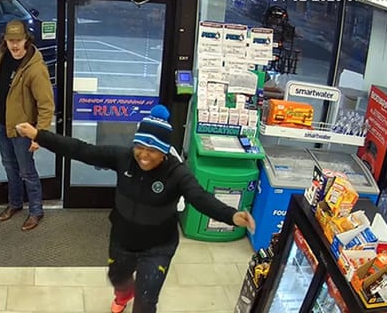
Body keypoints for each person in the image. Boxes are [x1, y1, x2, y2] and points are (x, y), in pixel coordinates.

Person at [15, 105, 255, 313]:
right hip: (123, 238)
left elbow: (199, 197)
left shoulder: (177, 173)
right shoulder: (125, 157)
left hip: (159, 246)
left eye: (152, 150)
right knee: (117, 278)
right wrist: (40, 135)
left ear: (164, 151)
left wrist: (231, 215)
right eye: (140, 146)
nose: (144, 155)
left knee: (147, 300)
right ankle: (123, 294)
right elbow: (82, 150)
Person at [0, 19, 55, 231]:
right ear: (5, 41)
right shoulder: (3, 57)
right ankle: (15, 204)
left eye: (19, 40)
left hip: (23, 129)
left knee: (27, 171)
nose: (14, 45)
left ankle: (36, 211)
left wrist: (39, 134)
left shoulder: (35, 68)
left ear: (26, 40)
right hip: (1, 123)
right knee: (9, 166)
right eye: (10, 40)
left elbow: (46, 105)